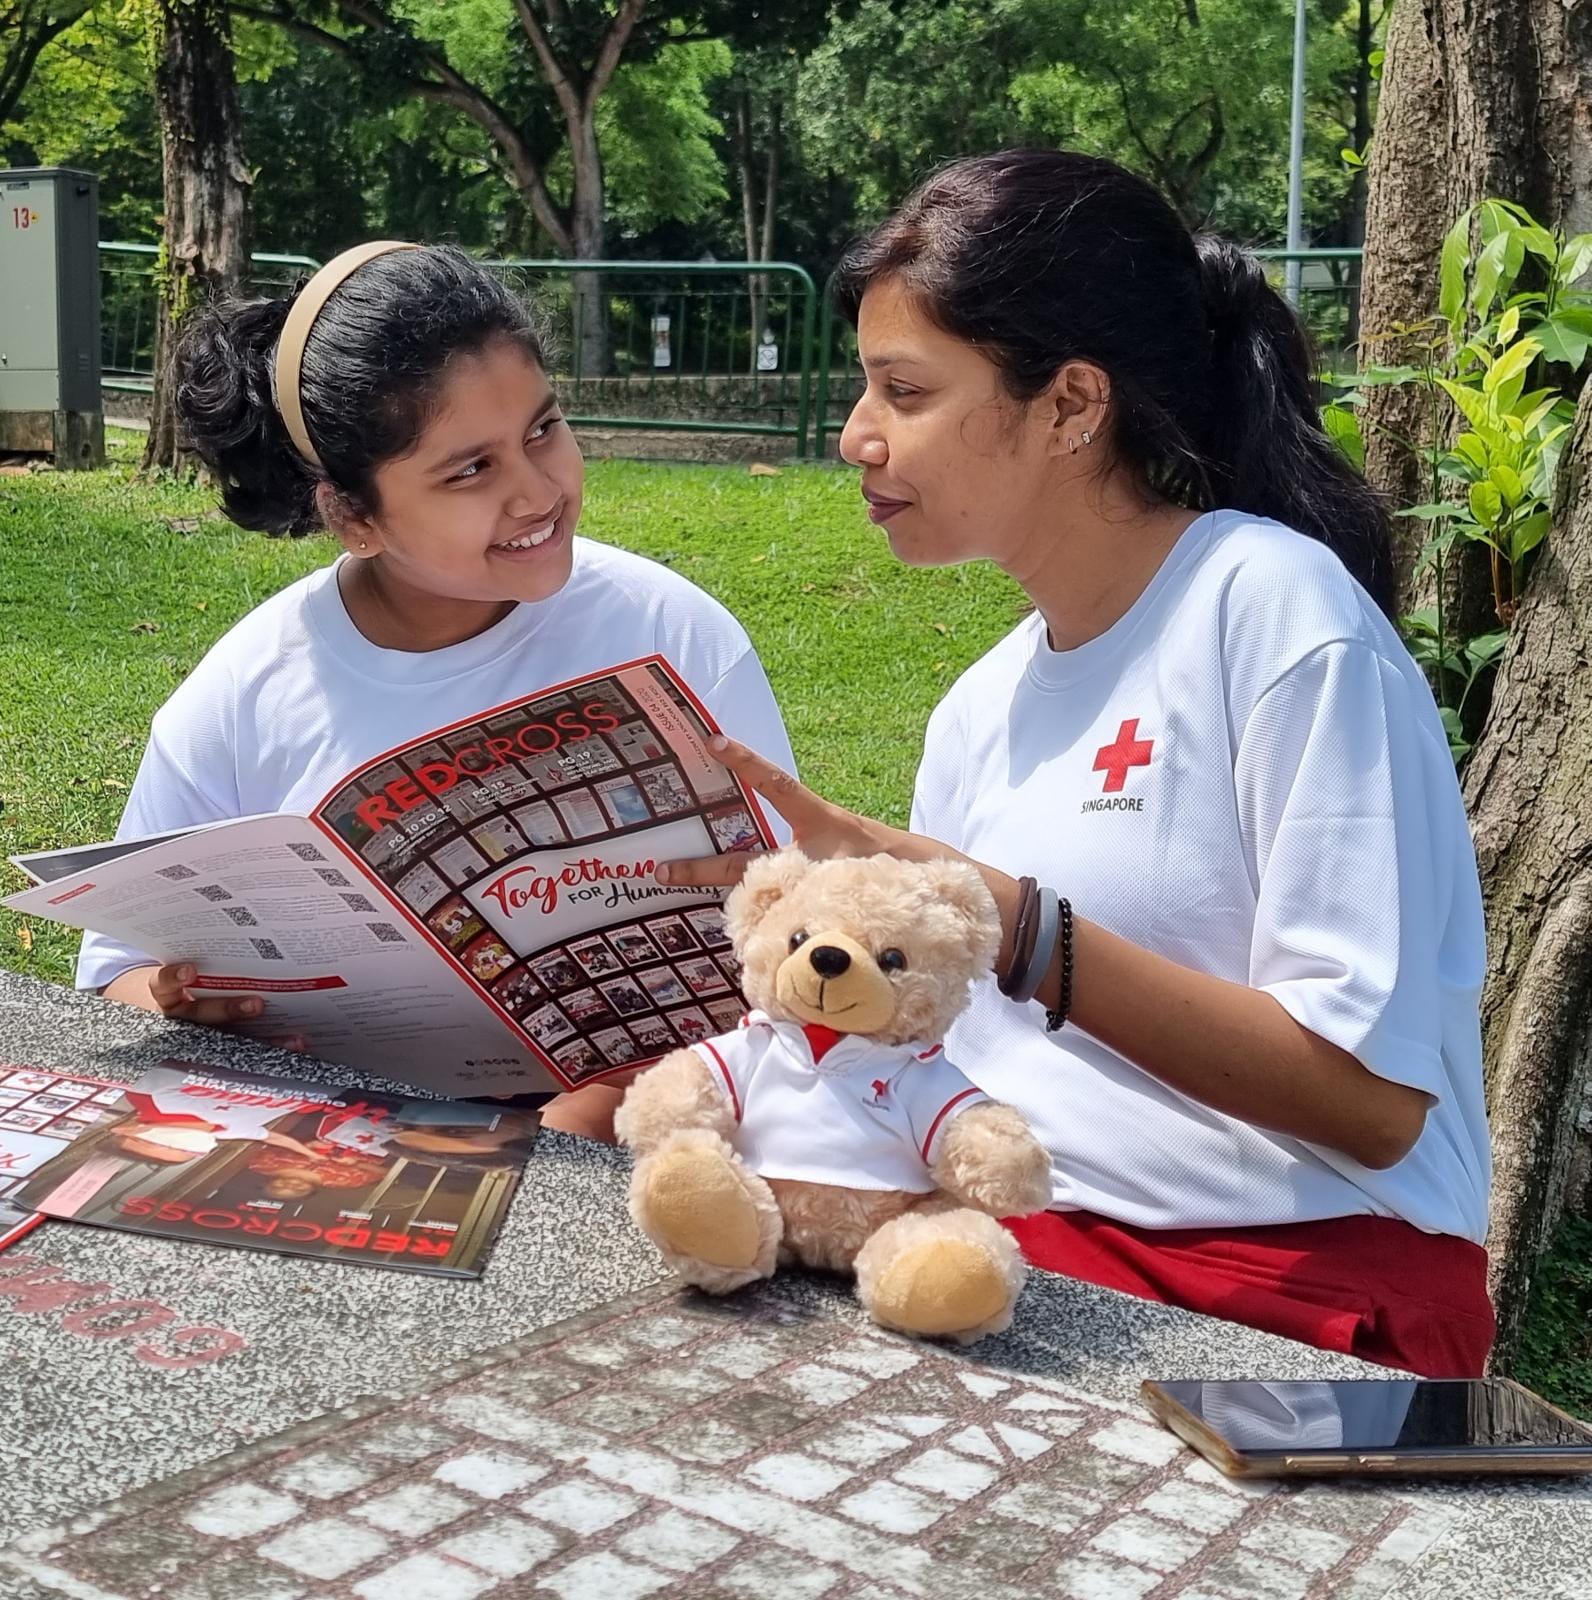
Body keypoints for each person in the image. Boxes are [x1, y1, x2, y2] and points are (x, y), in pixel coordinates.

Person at [657, 151, 1494, 1377]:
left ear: (1067, 405)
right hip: (1008, 1260)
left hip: (1281, 1285)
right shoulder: (976, 708)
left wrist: (1011, 924)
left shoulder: (1270, 612)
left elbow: (1368, 1104)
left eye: (903, 391)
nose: (855, 438)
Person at [77, 242, 794, 1138]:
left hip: (645, 1135)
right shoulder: (243, 695)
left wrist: (590, 1112)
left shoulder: (672, 636)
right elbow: (112, 977)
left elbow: (796, 945)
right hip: (328, 1145)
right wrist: (175, 1001)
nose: (538, 492)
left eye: (543, 429)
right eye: (470, 470)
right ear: (352, 515)